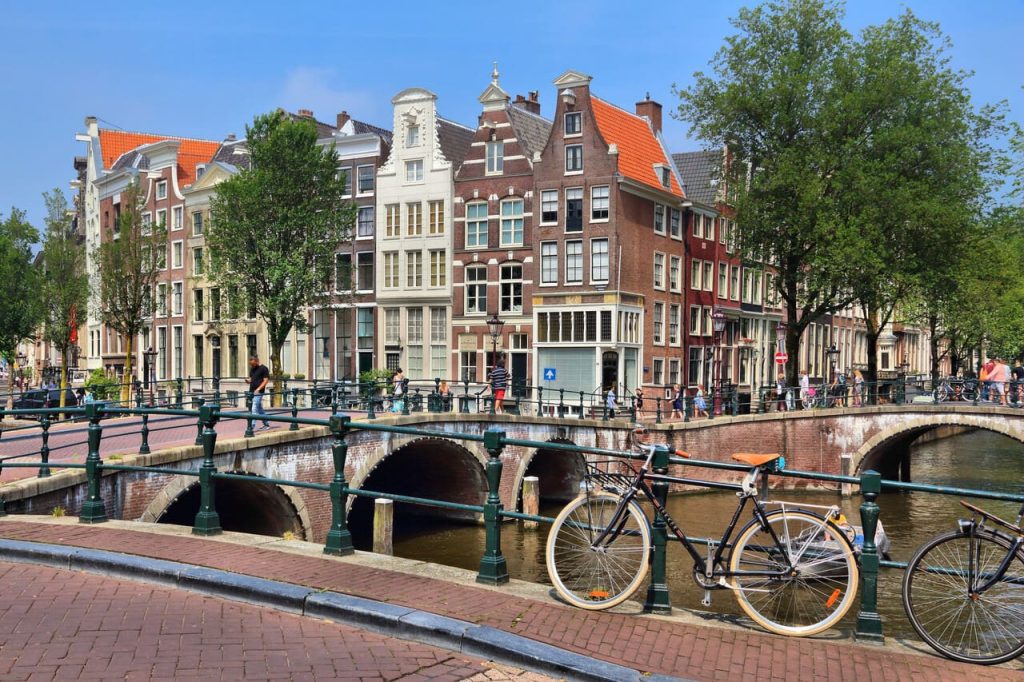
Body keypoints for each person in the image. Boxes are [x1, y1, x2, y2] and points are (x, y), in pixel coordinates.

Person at [248, 355, 271, 430]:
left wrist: (258, 389)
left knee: (254, 408)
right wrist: (248, 381)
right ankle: (266, 424)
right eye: (251, 364)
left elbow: (266, 380)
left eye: (253, 364)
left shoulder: (264, 368)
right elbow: (252, 379)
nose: (252, 365)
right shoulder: (252, 369)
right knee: (259, 408)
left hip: (259, 392)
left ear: (257, 361)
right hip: (251, 391)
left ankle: (251, 426)